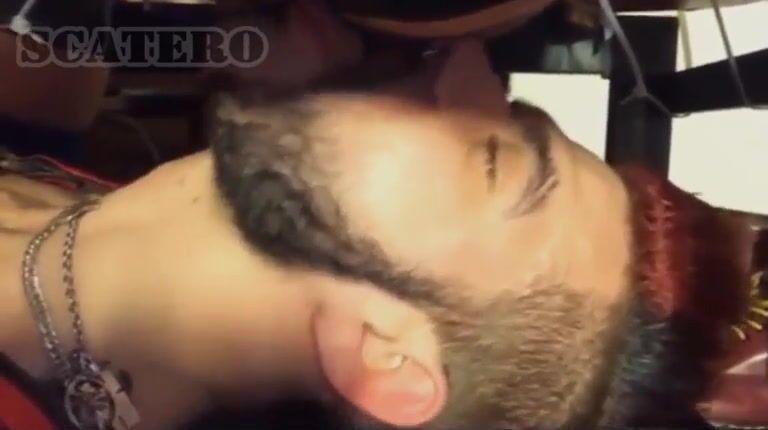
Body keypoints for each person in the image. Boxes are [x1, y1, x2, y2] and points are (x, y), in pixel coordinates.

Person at [1, 3, 767, 430]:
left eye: (495, 160)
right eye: (514, 110)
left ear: (384, 355)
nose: (466, 64)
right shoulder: (55, 145)